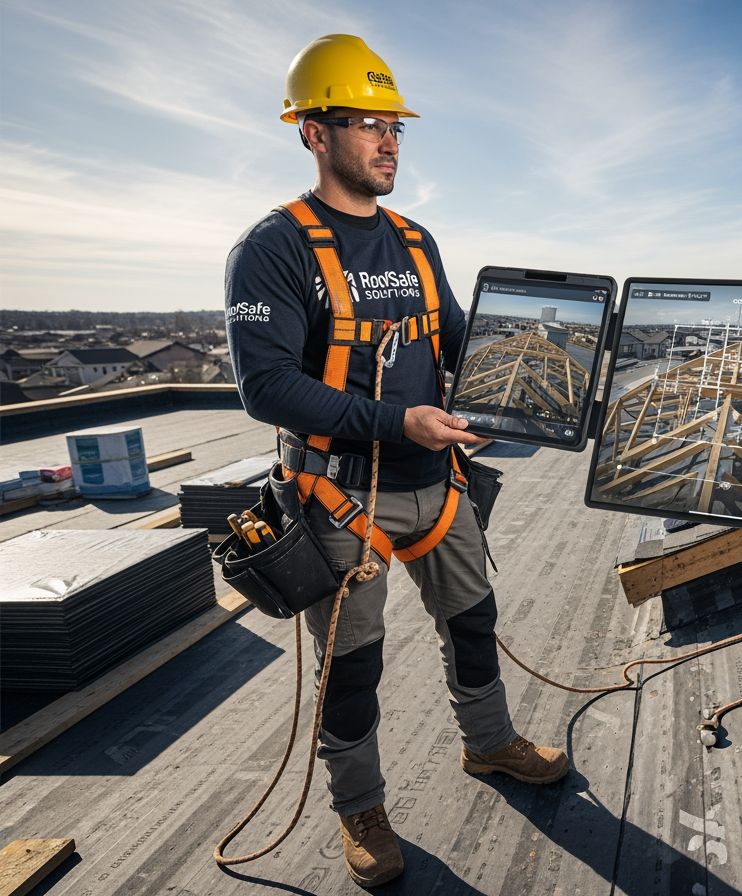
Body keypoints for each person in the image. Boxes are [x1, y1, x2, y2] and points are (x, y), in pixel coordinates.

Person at [224, 34, 567, 889]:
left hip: (437, 487)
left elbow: (458, 339)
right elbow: (265, 387)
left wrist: (515, 389)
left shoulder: (415, 240)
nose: (390, 142)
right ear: (313, 132)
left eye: (396, 127)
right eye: (370, 123)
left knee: (474, 625)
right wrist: (394, 421)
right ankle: (361, 809)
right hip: (341, 501)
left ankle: (489, 745)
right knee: (354, 666)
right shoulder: (273, 249)